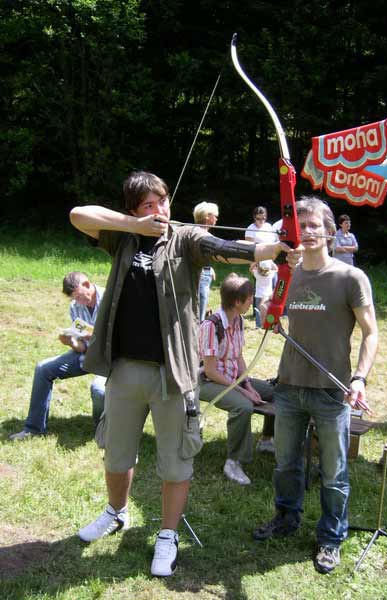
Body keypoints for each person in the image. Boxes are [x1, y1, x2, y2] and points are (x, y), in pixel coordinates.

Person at [69, 171, 300, 577]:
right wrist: (134, 226)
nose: (159, 210)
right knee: (117, 454)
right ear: (134, 210)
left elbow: (226, 248)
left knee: (175, 461)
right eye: (148, 205)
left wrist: (275, 251)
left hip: (172, 373)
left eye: (162, 201)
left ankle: (167, 535)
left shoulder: (186, 239)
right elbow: (78, 215)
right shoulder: (122, 238)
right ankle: (116, 512)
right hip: (124, 368)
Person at [253, 196, 378, 575]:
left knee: (333, 471)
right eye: (299, 226)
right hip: (289, 385)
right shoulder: (288, 277)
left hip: (331, 390)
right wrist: (268, 311)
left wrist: (359, 377)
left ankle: (330, 536)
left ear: (329, 232)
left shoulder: (350, 278)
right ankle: (286, 517)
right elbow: (270, 314)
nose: (306, 232)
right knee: (285, 464)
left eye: (313, 225)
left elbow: (371, 333)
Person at [9, 272, 106, 440]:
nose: (78, 302)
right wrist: (71, 342)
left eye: (80, 296)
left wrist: (98, 337)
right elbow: (82, 347)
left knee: (99, 390)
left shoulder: (110, 299)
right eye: (74, 298)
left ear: (87, 284)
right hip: (86, 354)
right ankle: (34, 429)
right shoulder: (75, 307)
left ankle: (103, 430)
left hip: (109, 358)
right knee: (43, 368)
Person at [199, 274, 275, 485]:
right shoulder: (211, 326)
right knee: (243, 406)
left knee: (274, 391)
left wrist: (247, 383)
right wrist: (243, 391)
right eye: (249, 298)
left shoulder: (239, 320)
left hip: (232, 377)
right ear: (237, 302)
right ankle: (233, 462)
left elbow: (238, 356)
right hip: (207, 381)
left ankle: (267, 440)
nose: (252, 301)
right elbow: (210, 371)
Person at [193, 201, 219, 321]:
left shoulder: (204, 234)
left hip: (205, 273)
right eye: (215, 216)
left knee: (201, 308)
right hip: (200, 275)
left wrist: (209, 267)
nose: (216, 219)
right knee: (200, 314)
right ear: (207, 216)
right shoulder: (200, 235)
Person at [249, 260, 278, 328]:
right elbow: (276, 268)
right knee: (267, 310)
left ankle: (258, 325)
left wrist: (256, 261)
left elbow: (250, 269)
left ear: (259, 267)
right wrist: (271, 262)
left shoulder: (257, 274)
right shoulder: (271, 274)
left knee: (257, 310)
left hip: (259, 295)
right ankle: (268, 324)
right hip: (268, 295)